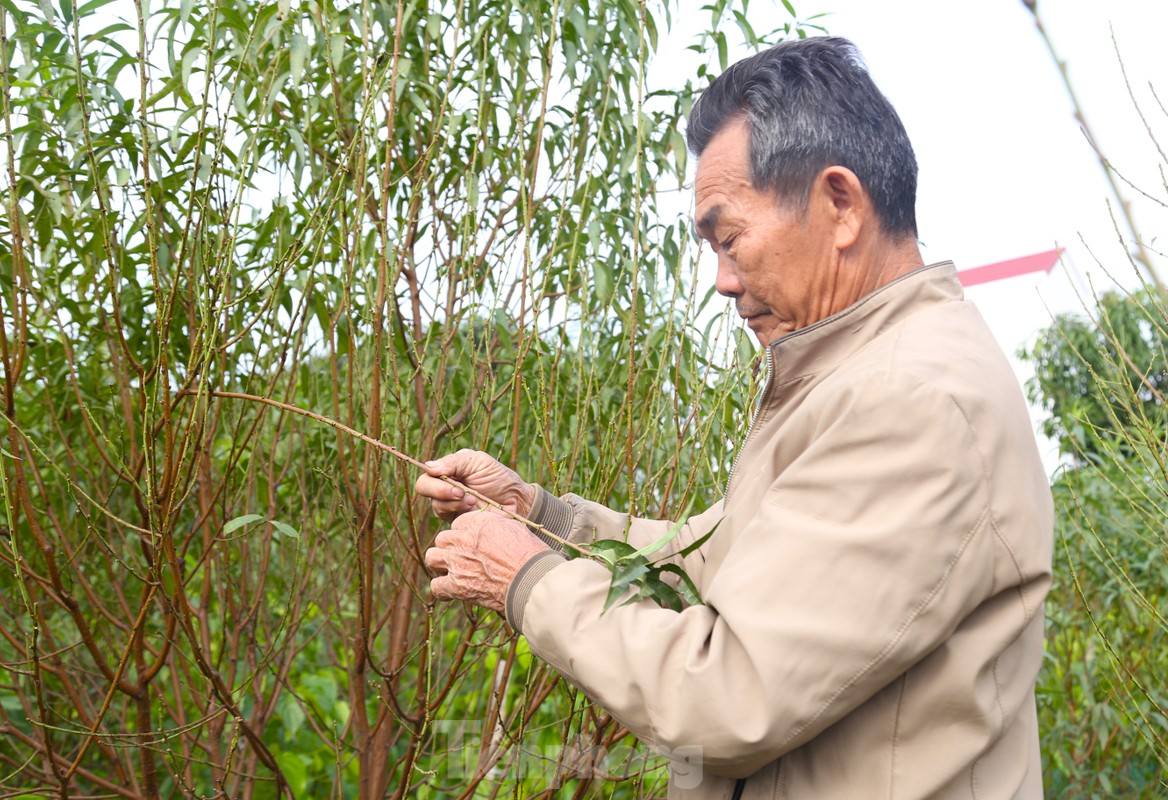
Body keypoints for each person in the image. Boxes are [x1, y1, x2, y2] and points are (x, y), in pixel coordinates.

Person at [418, 36, 1053, 799]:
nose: (721, 281)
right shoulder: (857, 376)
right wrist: (547, 517)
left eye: (729, 237)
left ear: (840, 205)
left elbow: (723, 697)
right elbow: (715, 566)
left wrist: (527, 580)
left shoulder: (911, 399)